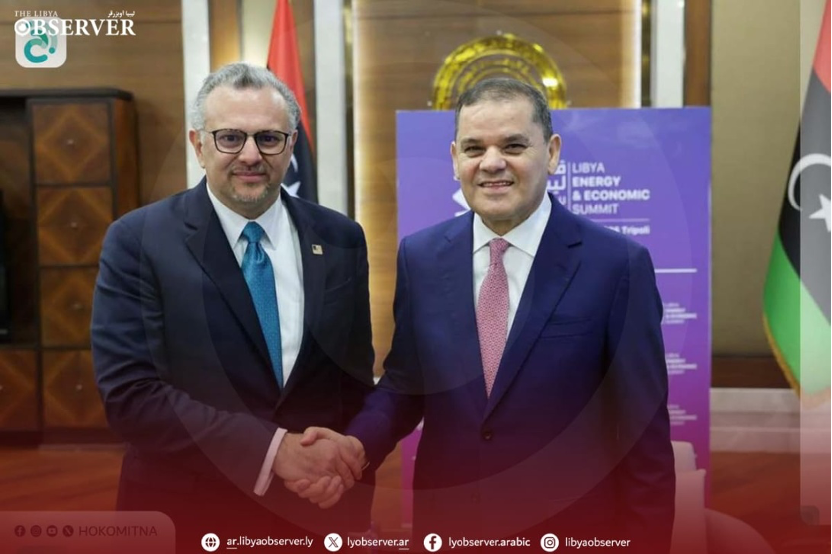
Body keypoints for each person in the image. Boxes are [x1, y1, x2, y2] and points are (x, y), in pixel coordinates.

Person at [294, 78, 675, 552]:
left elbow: (644, 438)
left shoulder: (616, 265)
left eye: (513, 145)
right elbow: (406, 383)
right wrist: (356, 446)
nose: (492, 163)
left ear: (552, 153)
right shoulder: (421, 256)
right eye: (474, 148)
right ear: (456, 159)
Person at [91, 62, 374, 551]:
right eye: (230, 138)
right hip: (185, 513)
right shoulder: (139, 240)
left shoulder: (341, 237)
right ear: (199, 145)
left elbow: (353, 379)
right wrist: (273, 451)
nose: (250, 155)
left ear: (291, 145)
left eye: (269, 138)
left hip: (315, 509)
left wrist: (344, 474)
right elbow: (130, 396)